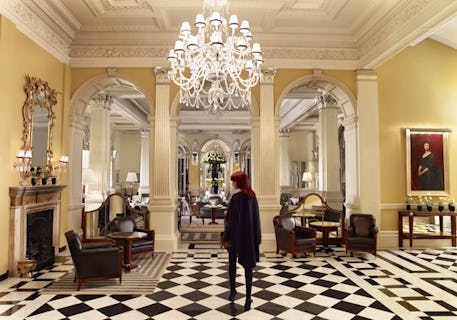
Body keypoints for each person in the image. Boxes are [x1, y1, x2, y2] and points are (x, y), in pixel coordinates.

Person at [223, 171, 261, 311]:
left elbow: (231, 222)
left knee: (232, 264)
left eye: (234, 181)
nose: (232, 183)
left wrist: (226, 238)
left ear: (239, 182)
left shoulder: (236, 198)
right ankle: (248, 295)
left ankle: (233, 291)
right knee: (248, 267)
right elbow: (256, 219)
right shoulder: (252, 196)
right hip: (249, 237)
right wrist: (256, 238)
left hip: (235, 237)